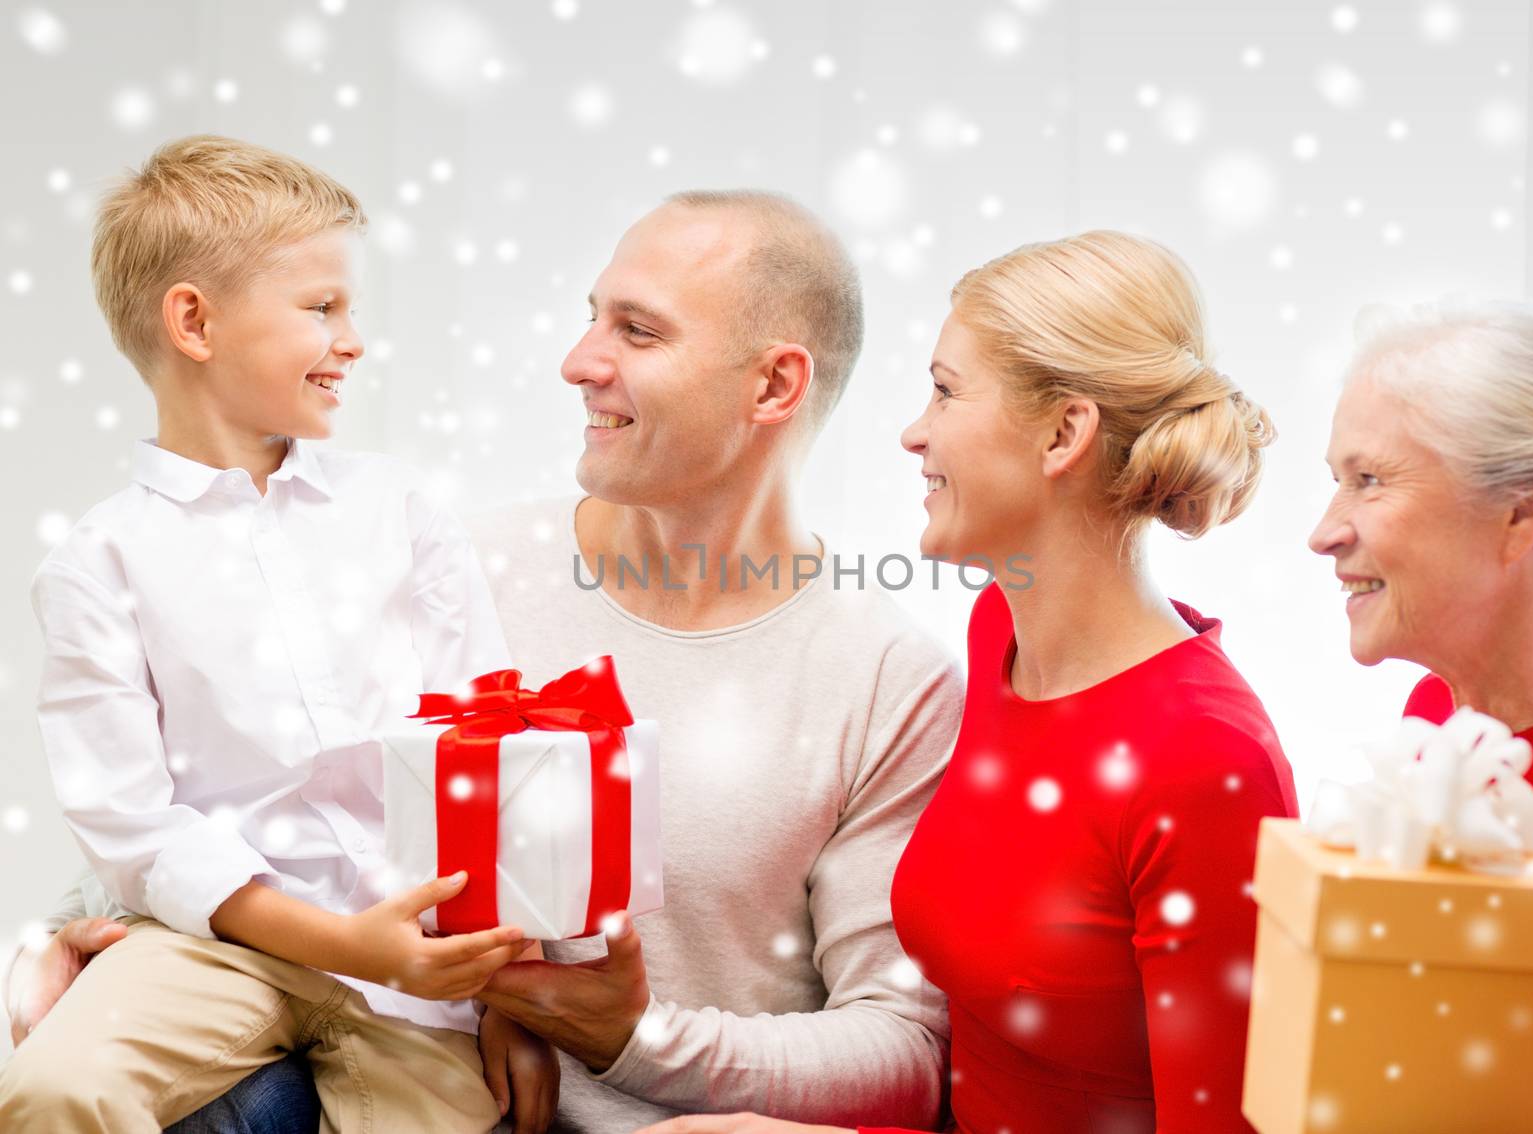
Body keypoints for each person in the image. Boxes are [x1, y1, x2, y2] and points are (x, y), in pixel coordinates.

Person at [10, 188, 961, 1132]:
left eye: (637, 331)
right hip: (365, 1053)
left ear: (773, 387)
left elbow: (903, 1058)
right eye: (592, 317)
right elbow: (234, 791)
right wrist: (63, 934)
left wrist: (633, 1035)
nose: (577, 362)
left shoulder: (885, 682)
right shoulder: (451, 561)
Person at [644, 231, 1299, 1134]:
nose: (915, 431)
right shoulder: (1001, 636)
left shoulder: (1204, 759)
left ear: (1065, 433)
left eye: (947, 391)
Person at [0, 135, 540, 1133]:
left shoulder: (402, 511)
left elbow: (490, 752)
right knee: (57, 1089)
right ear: (194, 321)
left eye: (351, 310)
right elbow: (135, 826)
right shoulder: (97, 562)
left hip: (415, 965)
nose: (353, 339)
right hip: (213, 948)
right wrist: (340, 942)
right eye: (321, 308)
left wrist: (512, 1000)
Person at [1309, 303, 1533, 859]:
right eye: (1338, 479)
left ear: (1523, 510)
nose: (1323, 534)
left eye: (1369, 480)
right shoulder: (1439, 719)